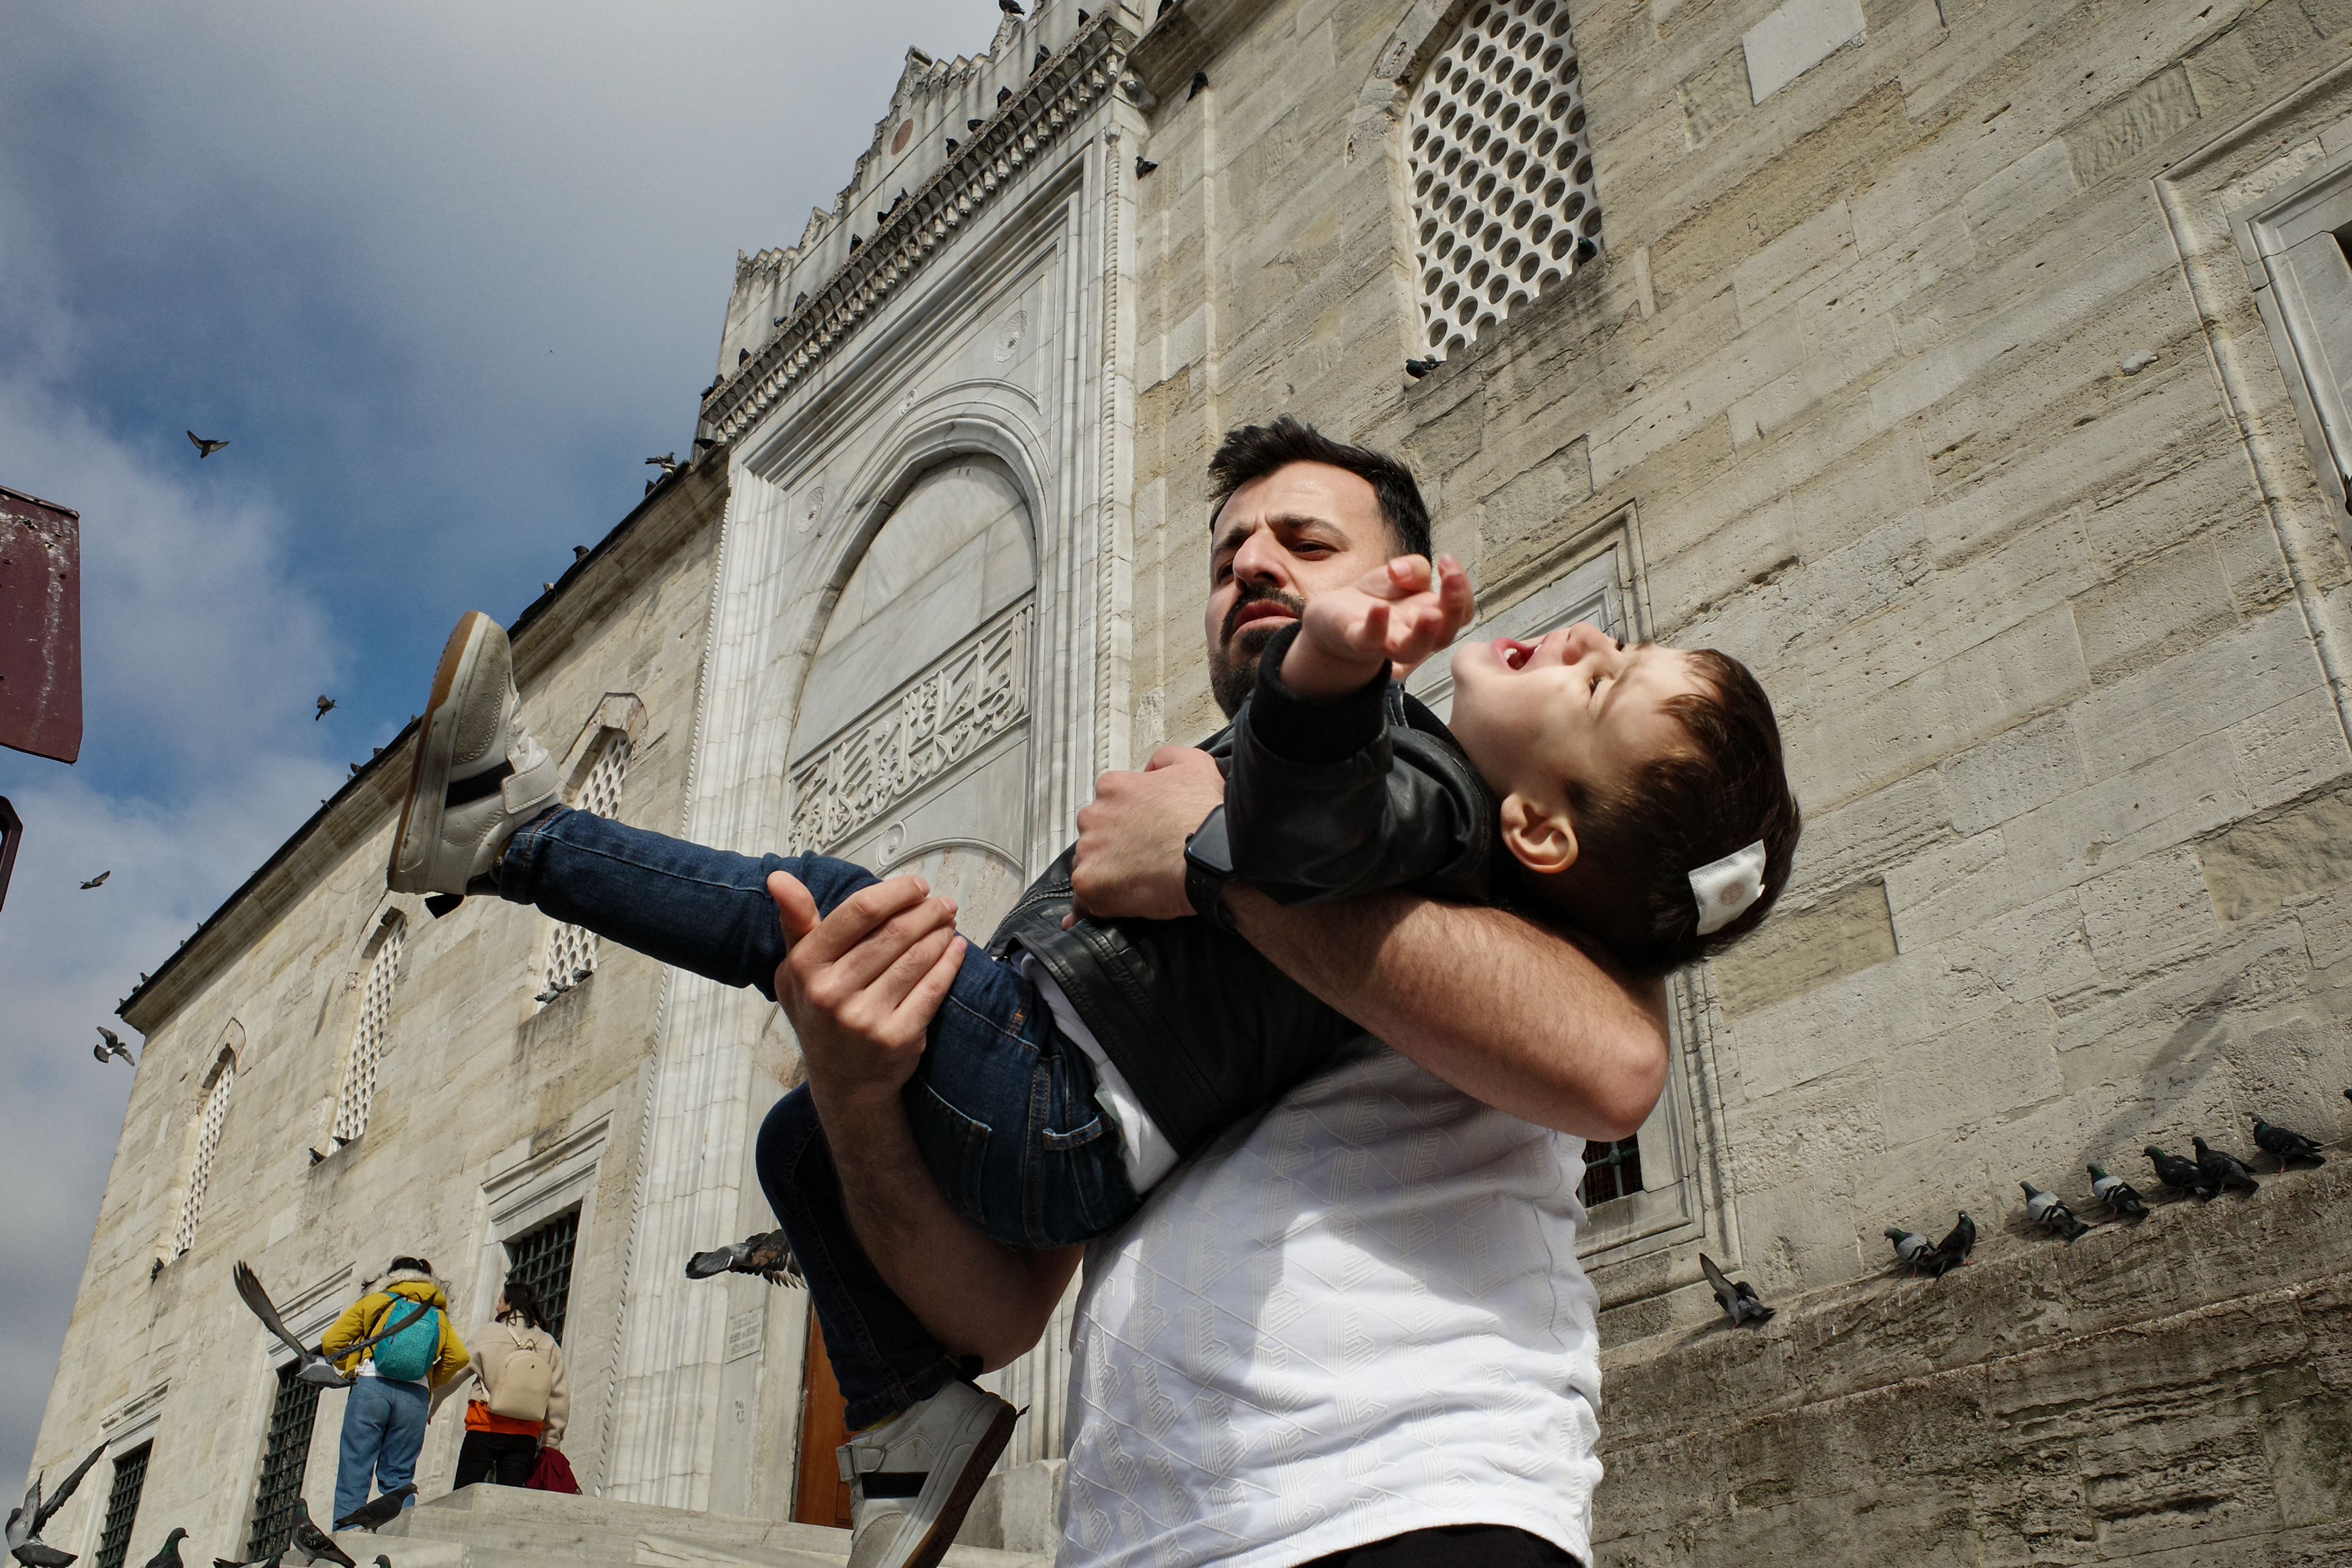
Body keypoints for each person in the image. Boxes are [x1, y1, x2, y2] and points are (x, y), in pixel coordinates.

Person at [773, 417, 1717, 1568]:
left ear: (1401, 591)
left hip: (1414, 1504)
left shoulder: (1476, 804)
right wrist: (857, 1095)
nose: (1253, 566)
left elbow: (1616, 1063)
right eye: (1227, 557)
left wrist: (1209, 866)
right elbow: (1001, 1313)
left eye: (1305, 541)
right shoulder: (1165, 811)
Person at [322, 1255, 469, 1526]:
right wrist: (430, 1381)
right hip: (415, 1399)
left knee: (355, 1469)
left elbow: (332, 1342)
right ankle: (400, 1539)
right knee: (400, 1477)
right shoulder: (436, 1314)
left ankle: (347, 1537)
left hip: (371, 1386)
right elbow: (459, 1358)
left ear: (391, 1276)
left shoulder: (377, 1301)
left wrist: (352, 1366)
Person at [450, 1278, 569, 1489]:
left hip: (484, 1425)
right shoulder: (548, 1343)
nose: (497, 1306)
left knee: (463, 1493)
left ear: (510, 1304)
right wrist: (552, 1442)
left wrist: (430, 1404)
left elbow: (455, 1372)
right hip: (524, 1435)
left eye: (500, 1301)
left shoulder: (488, 1334)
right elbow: (558, 1396)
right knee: (508, 1498)